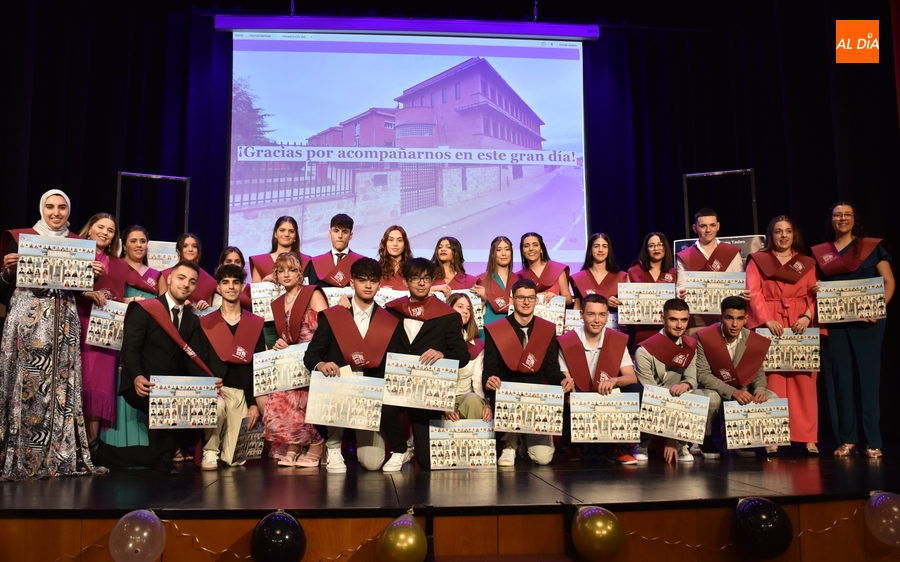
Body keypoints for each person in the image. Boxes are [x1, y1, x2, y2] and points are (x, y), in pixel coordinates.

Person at [0, 189, 107, 480]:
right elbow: (5, 285)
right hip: (27, 322)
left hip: (63, 322)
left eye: (62, 207)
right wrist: (8, 271)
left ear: (68, 211)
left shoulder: (77, 243)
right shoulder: (22, 238)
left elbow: (78, 286)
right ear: (42, 208)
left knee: (59, 385)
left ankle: (57, 455)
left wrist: (92, 275)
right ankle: (22, 455)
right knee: (27, 383)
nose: (56, 212)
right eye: (50, 207)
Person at [91, 260, 219, 472]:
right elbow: (130, 348)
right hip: (143, 385)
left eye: (192, 281)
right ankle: (162, 455)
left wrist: (209, 383)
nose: (186, 284)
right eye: (181, 278)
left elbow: (192, 360)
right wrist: (136, 376)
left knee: (161, 454)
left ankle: (102, 453)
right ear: (169, 279)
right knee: (165, 445)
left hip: (171, 390)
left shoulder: (192, 320)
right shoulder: (146, 309)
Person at [812, 202, 894, 458]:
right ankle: (848, 439)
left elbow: (889, 281)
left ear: (854, 219)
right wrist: (815, 288)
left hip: (868, 323)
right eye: (838, 215)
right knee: (842, 380)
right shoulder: (822, 253)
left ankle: (873, 440)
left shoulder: (870, 246)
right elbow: (814, 284)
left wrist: (878, 308)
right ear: (831, 219)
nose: (843, 218)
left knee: (868, 380)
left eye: (848, 215)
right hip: (835, 324)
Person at [304, 258, 400, 472]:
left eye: (373, 281)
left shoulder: (388, 320)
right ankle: (333, 446)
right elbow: (311, 355)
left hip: (370, 393)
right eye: (362, 280)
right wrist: (321, 364)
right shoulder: (335, 316)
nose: (368, 285)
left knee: (373, 464)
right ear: (352, 283)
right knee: (331, 386)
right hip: (339, 388)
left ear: (379, 284)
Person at [382, 258, 470, 471]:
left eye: (426, 278)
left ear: (432, 281)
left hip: (427, 391)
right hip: (397, 385)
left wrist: (442, 353)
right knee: (382, 404)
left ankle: (416, 447)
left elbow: (463, 355)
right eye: (415, 278)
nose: (421, 283)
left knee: (427, 461)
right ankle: (400, 449)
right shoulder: (393, 310)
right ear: (405, 281)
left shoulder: (447, 315)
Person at [746, 215, 819, 454]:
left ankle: (808, 437)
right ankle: (772, 436)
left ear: (794, 234)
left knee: (804, 379)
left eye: (788, 231)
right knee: (772, 379)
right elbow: (753, 291)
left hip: (799, 323)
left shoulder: (806, 263)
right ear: (771, 235)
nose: (783, 236)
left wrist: (807, 316)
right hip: (770, 321)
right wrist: (766, 319)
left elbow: (814, 294)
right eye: (778, 231)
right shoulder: (758, 260)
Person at [483, 279, 574, 466]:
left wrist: (562, 380)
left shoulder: (547, 330)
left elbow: (551, 368)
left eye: (531, 298)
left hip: (535, 399)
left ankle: (523, 440)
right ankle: (510, 443)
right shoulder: (496, 330)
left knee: (543, 459)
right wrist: (489, 380)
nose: (526, 302)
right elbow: (490, 368)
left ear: (536, 301)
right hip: (507, 397)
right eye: (521, 298)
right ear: (511, 300)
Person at [264, 252, 328, 467]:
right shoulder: (277, 303)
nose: (286, 274)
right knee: (278, 398)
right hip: (293, 362)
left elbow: (327, 328)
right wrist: (281, 344)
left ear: (300, 273)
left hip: (316, 356)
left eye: (292, 270)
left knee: (299, 397)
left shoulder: (312, 294)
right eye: (281, 270)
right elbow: (287, 337)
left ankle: (317, 444)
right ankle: (295, 444)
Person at [199, 264, 266, 470]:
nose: (230, 287)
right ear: (218, 287)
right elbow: (201, 361)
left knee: (235, 460)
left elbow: (258, 366)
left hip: (241, 394)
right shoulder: (206, 322)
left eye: (235, 282)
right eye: (225, 282)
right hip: (217, 391)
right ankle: (210, 450)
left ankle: (224, 444)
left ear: (242, 286)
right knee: (217, 407)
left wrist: (254, 403)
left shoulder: (254, 323)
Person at [558, 295, 637, 464]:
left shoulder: (616, 339)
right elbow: (566, 377)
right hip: (579, 392)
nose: (596, 320)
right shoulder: (567, 341)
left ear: (607, 316)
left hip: (606, 392)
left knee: (635, 390)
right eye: (591, 314)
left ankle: (617, 447)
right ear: (581, 314)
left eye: (601, 315)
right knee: (564, 392)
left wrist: (614, 380)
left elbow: (631, 377)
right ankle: (572, 445)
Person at [695, 296, 777, 457]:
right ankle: (703, 438)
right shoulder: (705, 337)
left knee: (771, 397)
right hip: (715, 388)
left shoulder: (753, 340)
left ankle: (738, 440)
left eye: (739, 319)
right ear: (721, 318)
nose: (734, 324)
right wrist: (732, 391)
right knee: (711, 399)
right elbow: (703, 375)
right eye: (729, 318)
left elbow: (758, 372)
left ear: (746, 319)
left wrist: (760, 389)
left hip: (742, 386)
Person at [100, 225, 158, 448]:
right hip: (118, 331)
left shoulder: (156, 275)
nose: (138, 245)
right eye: (133, 241)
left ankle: (145, 444)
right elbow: (106, 298)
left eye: (142, 241)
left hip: (146, 338)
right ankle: (116, 443)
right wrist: (128, 302)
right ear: (124, 244)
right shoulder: (116, 268)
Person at [77, 213, 129, 443]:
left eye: (110, 230)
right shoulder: (75, 253)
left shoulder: (119, 265)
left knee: (98, 382)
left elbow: (118, 297)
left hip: (105, 327)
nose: (105, 233)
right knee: (78, 380)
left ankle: (91, 444)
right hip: (77, 322)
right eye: (100, 227)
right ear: (89, 229)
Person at [633, 298, 699, 463]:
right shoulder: (644, 351)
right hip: (654, 396)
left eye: (684, 320)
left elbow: (692, 378)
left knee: (698, 394)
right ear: (663, 318)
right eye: (673, 319)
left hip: (678, 395)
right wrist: (669, 436)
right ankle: (643, 443)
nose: (679, 325)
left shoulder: (690, 346)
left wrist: (686, 384)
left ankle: (682, 443)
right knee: (643, 396)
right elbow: (651, 390)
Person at [447, 293, 491, 421]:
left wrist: (485, 404)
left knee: (473, 401)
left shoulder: (477, 346)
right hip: (439, 398)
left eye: (468, 309)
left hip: (464, 398)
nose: (465, 311)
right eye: (460, 306)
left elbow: (477, 381)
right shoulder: (436, 340)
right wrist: (444, 406)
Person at [473, 236, 520, 333]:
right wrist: (483, 300)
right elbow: (473, 311)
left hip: (513, 329)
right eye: (499, 250)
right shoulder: (481, 279)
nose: (504, 253)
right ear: (493, 254)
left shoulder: (519, 279)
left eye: (507, 249)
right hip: (488, 329)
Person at [158, 233, 217, 310]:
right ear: (179, 251)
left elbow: (210, 311)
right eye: (185, 246)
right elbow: (161, 305)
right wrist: (179, 303)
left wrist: (204, 307)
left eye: (194, 246)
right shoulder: (165, 275)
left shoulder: (209, 281)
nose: (190, 249)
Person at [571, 233, 627, 310]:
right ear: (590, 251)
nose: (601, 250)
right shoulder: (579, 278)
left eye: (604, 246)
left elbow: (628, 307)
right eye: (596, 246)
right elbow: (577, 307)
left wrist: (619, 305)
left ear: (608, 250)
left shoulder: (623, 277)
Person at [250, 216, 311, 283]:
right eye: (282, 230)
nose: (286, 234)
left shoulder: (306, 261)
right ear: (275, 234)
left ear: (295, 236)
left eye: (291, 231)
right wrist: (264, 283)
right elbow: (256, 288)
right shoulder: (260, 262)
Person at [517, 232, 572, 306]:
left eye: (535, 245)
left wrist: (556, 298)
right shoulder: (519, 276)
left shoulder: (557, 269)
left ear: (541, 249)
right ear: (522, 251)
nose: (531, 249)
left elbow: (568, 299)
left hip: (555, 312)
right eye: (526, 246)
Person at [309, 214, 363, 287]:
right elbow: (313, 289)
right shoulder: (316, 262)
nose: (340, 236)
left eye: (345, 232)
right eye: (336, 231)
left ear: (351, 235)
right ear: (330, 233)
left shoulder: (362, 262)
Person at [378, 225, 412, 291]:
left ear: (404, 245)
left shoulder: (413, 269)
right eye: (391, 240)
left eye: (399, 240)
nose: (395, 244)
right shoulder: (376, 269)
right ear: (385, 243)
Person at [217, 246, 252, 310]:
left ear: (242, 265)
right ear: (222, 264)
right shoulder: (214, 289)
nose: (233, 264)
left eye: (237, 262)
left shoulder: (250, 289)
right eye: (229, 262)